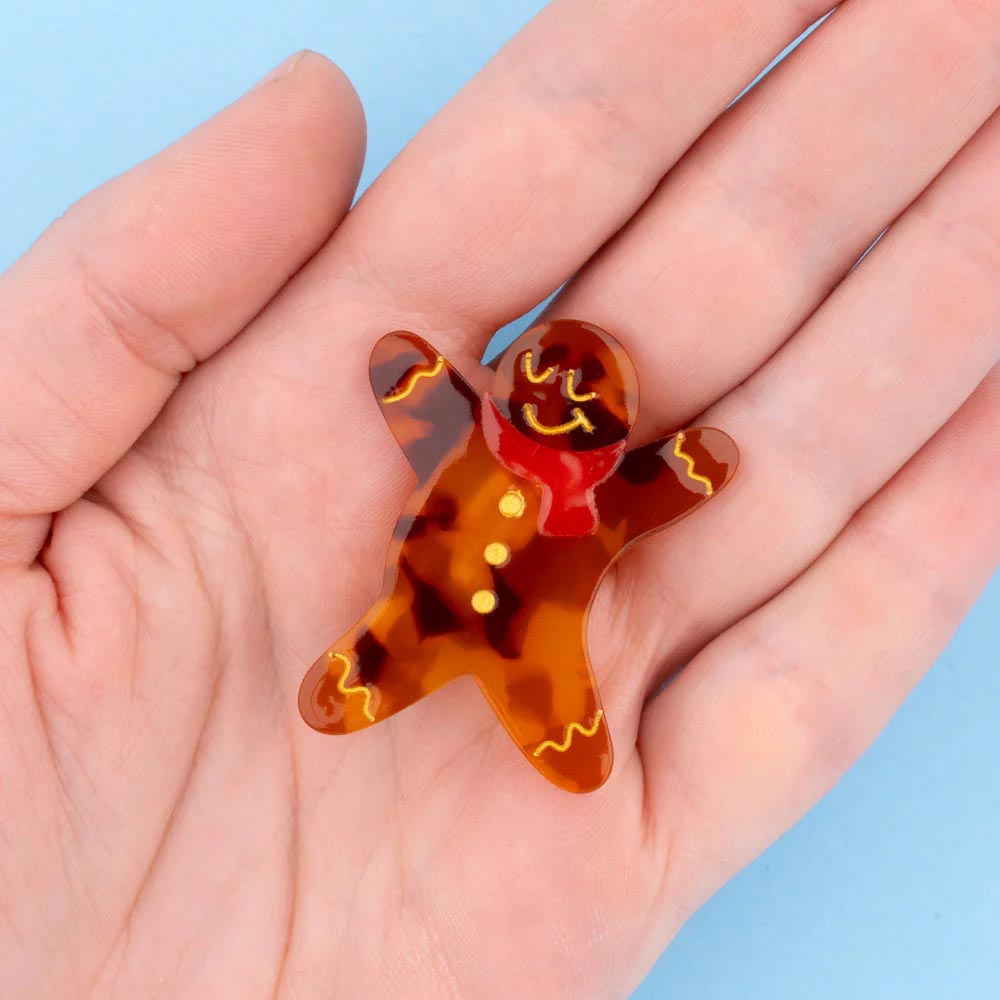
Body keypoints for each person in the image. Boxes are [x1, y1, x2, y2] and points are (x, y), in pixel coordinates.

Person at [1, 2, 997, 995]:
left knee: (552, 696)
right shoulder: (468, 442)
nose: (561, 395)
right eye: (552, 382)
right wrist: (407, 376)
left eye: (580, 397)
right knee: (388, 652)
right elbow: (415, 391)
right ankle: (375, 679)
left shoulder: (600, 504)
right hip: (422, 597)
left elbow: (650, 489)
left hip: (538, 635)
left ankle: (553, 726)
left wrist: (690, 468)